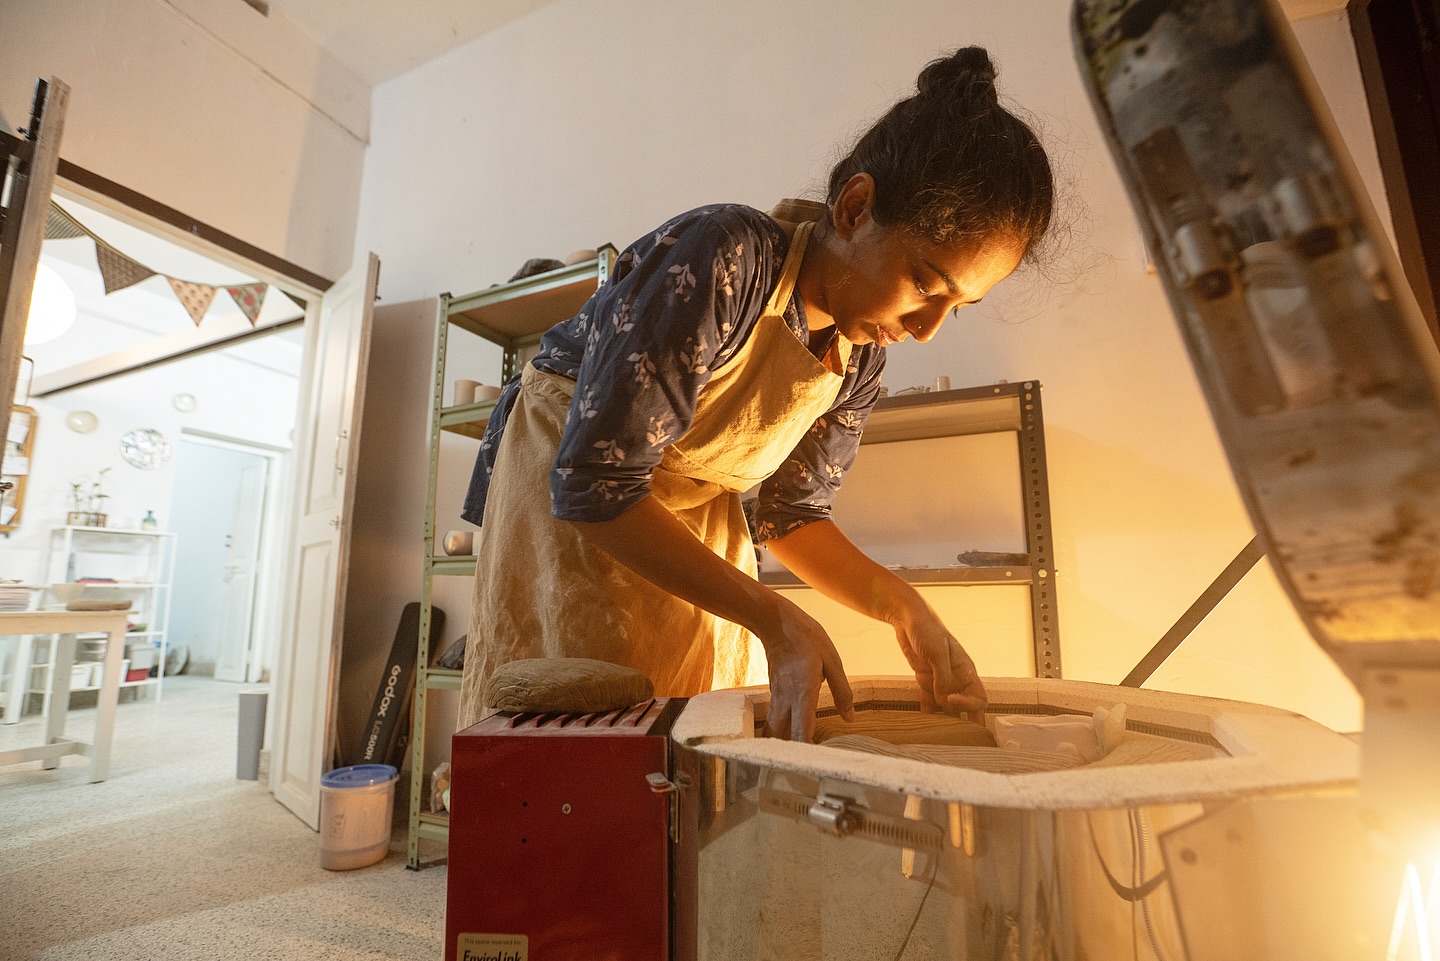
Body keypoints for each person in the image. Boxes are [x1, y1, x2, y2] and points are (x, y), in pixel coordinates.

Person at [456, 45, 1055, 741]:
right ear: (856, 207)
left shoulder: (858, 359)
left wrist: (903, 607)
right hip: (579, 496)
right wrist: (776, 617)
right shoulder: (727, 257)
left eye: (959, 306)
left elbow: (790, 515)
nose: (927, 330)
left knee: (688, 741)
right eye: (926, 283)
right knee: (582, 740)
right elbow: (595, 481)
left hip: (694, 519)